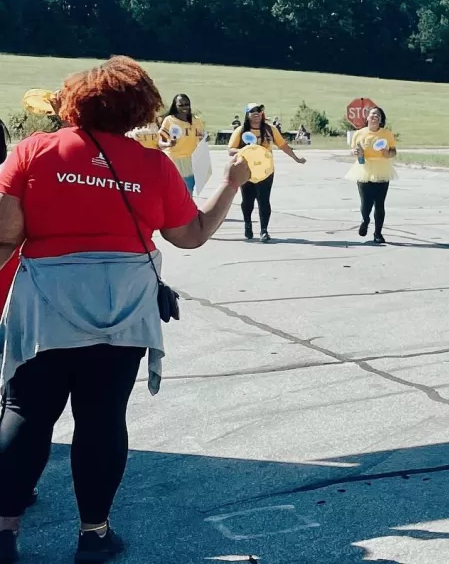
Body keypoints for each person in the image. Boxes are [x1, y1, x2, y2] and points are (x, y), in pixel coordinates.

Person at [0, 56, 250, 564]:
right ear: (139, 109)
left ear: (74, 102)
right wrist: (231, 181)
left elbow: (5, 237)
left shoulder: (33, 151)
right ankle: (94, 535)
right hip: (124, 310)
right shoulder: (153, 165)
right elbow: (192, 235)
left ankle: (4, 532)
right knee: (102, 418)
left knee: (26, 413)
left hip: (47, 306)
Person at [228, 103, 306, 243]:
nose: (257, 113)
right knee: (248, 201)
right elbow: (230, 150)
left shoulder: (270, 129)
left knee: (264, 200)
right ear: (247, 114)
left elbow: (283, 145)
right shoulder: (241, 131)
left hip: (266, 171)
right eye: (253, 111)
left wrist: (296, 158)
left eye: (259, 110)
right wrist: (247, 150)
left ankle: (264, 230)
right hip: (247, 171)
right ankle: (248, 224)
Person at [346, 107, 397, 244]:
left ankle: (378, 233)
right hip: (364, 169)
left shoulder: (387, 134)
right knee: (366, 203)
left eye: (378, 115)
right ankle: (365, 220)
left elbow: (393, 151)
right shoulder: (359, 133)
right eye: (373, 114)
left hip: (382, 169)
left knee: (380, 204)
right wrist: (356, 152)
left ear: (381, 119)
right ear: (367, 117)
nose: (375, 116)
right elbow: (352, 150)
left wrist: (388, 153)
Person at [158, 94, 205, 196]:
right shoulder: (169, 120)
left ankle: (187, 212)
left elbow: (201, 139)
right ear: (175, 106)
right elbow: (160, 143)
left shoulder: (196, 121)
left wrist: (203, 139)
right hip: (173, 159)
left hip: (190, 160)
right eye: (181, 105)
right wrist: (168, 143)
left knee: (188, 191)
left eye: (187, 104)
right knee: (173, 191)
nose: (185, 107)